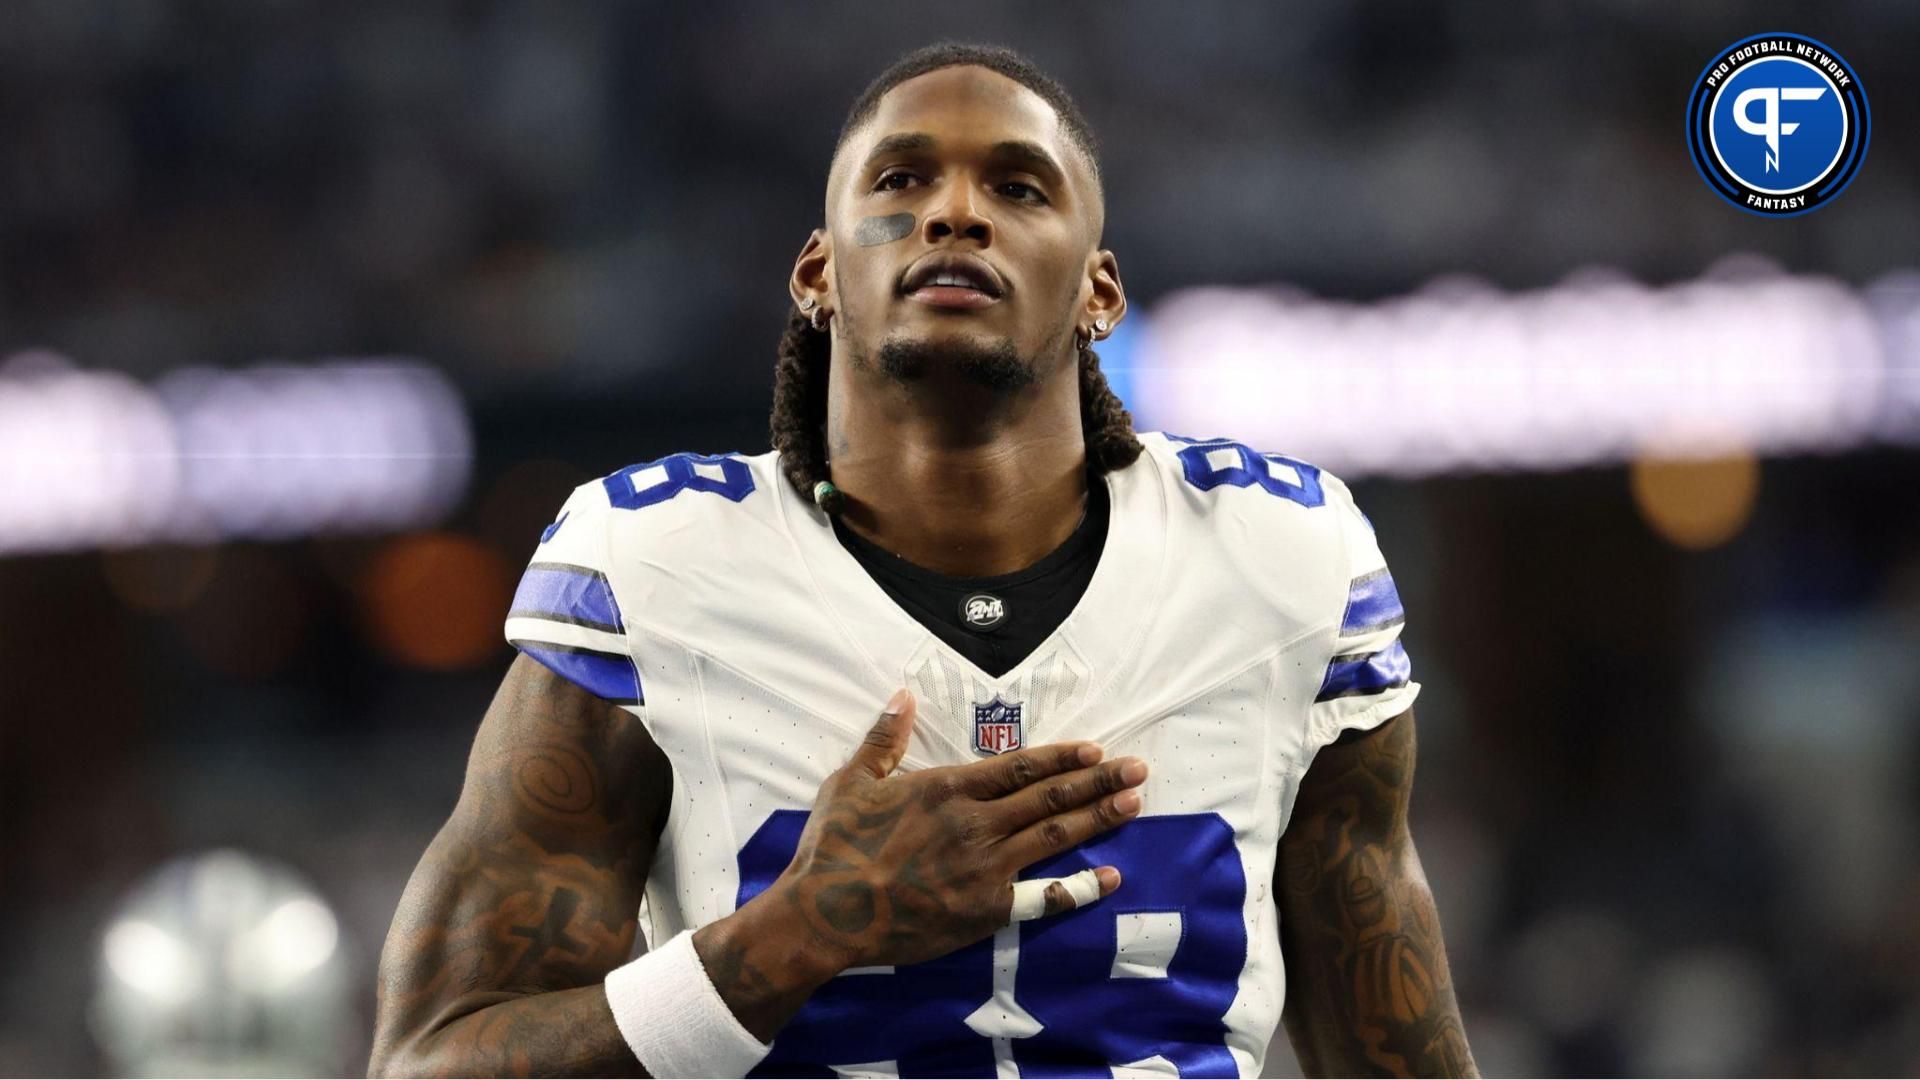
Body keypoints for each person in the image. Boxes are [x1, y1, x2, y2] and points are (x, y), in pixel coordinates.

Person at [370, 41, 1477, 1079]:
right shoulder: (655, 565)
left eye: (1019, 188)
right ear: (817, 274)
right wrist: (793, 935)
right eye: (900, 183)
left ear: (1100, 289)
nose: (954, 212)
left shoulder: (1280, 560)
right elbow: (432, 1056)